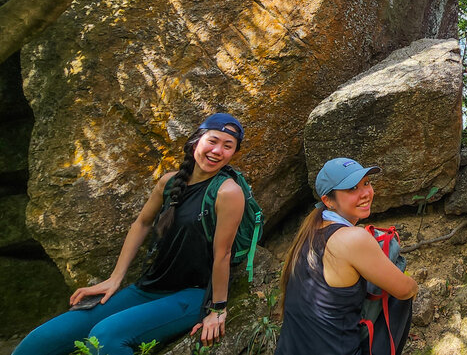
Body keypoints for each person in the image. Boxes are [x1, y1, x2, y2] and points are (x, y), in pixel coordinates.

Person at [13, 113, 248, 355]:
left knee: (104, 336)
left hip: (194, 295)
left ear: (233, 153)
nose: (217, 151)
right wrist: (115, 278)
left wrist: (218, 309)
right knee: (37, 342)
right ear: (196, 140)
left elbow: (223, 254)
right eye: (212, 141)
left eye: (227, 146)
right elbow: (142, 223)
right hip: (148, 288)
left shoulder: (227, 192)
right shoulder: (169, 182)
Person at [275, 157, 418, 355]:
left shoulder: (309, 233)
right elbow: (405, 290)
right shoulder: (353, 238)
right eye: (352, 188)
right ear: (328, 200)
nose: (365, 193)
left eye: (366, 183)